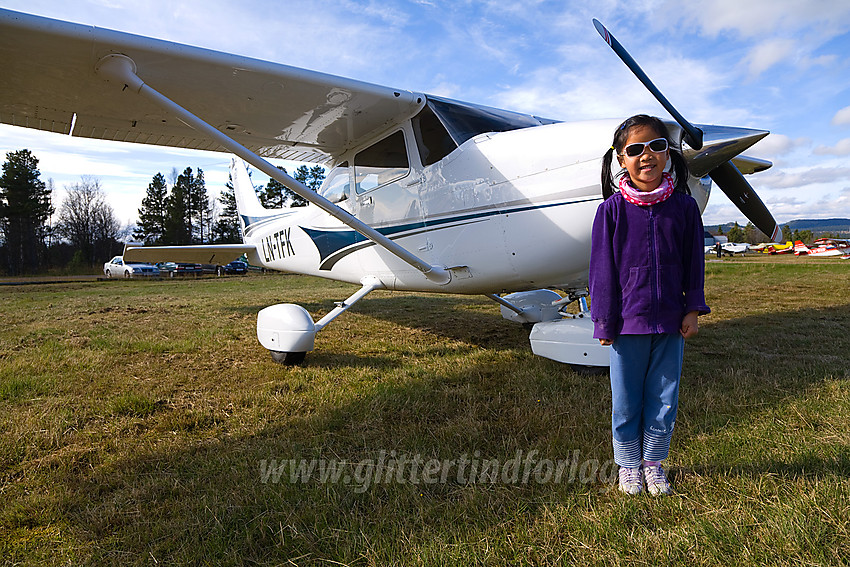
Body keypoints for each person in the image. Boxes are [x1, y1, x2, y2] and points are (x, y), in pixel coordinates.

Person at [589, 115, 710, 496]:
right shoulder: (610, 212)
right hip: (628, 324)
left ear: (668, 154)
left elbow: (694, 262)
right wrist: (604, 322)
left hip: (672, 322)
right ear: (620, 159)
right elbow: (601, 272)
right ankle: (628, 465)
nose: (647, 156)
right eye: (635, 149)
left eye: (656, 146)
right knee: (627, 401)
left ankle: (653, 464)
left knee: (663, 399)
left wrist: (692, 309)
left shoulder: (685, 208)